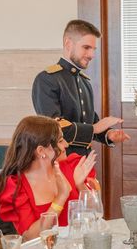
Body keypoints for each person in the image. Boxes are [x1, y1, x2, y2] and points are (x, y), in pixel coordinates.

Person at [0, 116, 98, 240]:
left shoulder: (72, 167)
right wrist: (60, 198)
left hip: (78, 247)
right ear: (41, 151)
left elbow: (95, 214)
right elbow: (30, 236)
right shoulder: (16, 186)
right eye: (61, 141)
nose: (66, 144)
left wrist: (80, 185)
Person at [32, 19, 130, 156]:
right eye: (86, 48)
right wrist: (95, 128)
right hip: (59, 161)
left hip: (85, 160)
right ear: (68, 44)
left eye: (93, 49)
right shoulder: (46, 79)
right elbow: (53, 127)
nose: (92, 55)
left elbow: (91, 122)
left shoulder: (85, 82)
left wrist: (108, 134)